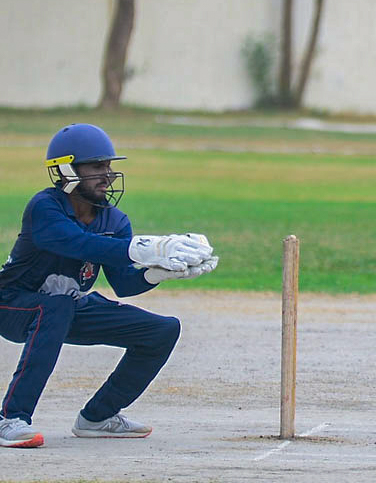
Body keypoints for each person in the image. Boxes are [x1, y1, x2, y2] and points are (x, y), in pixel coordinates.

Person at [0, 123, 218, 449]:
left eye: (108, 166)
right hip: (11, 305)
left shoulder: (114, 220)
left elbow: (124, 283)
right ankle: (10, 418)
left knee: (161, 331)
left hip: (66, 307)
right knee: (56, 306)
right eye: (96, 167)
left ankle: (98, 417)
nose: (107, 175)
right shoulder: (44, 207)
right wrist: (147, 248)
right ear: (66, 170)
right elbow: (77, 243)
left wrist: (158, 272)